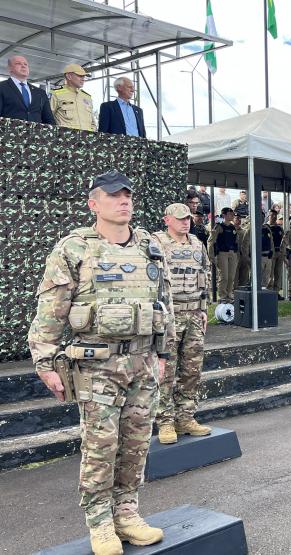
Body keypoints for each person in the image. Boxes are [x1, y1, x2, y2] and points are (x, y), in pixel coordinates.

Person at [28, 170, 174, 554]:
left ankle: (127, 513)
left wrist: (163, 352)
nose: (123, 201)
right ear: (94, 204)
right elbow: (51, 308)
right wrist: (44, 361)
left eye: (127, 195)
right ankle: (100, 523)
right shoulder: (73, 248)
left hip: (142, 363)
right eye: (113, 196)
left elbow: (163, 304)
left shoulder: (148, 245)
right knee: (100, 445)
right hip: (97, 367)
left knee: (137, 442)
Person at [152, 203, 211, 446]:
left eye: (188, 218)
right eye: (180, 219)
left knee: (192, 370)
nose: (185, 222)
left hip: (194, 314)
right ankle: (165, 420)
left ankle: (185, 417)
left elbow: (205, 274)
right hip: (170, 315)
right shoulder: (156, 243)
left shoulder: (197, 243)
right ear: (167, 220)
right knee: (166, 370)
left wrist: (204, 308)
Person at [0, 55, 55, 124]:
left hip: (36, 134)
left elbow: (49, 120)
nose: (23, 66)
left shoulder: (40, 93)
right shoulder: (2, 87)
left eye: (25, 64)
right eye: (18, 63)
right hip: (9, 133)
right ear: (9, 68)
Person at [51, 64, 95, 131]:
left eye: (84, 76)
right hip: (66, 140)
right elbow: (48, 119)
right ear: (69, 76)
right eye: (80, 76)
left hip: (86, 140)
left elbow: (93, 123)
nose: (83, 79)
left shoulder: (87, 97)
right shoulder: (55, 94)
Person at [208, 207, 239, 303]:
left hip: (232, 253)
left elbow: (236, 241)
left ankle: (229, 294)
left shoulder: (233, 227)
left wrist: (236, 254)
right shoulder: (219, 227)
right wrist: (212, 256)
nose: (232, 215)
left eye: (232, 214)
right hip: (222, 253)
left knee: (231, 276)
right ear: (224, 215)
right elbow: (211, 241)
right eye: (230, 214)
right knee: (224, 276)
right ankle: (222, 296)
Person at [266, 210, 284, 293]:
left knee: (278, 273)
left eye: (275, 216)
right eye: (272, 215)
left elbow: (283, 241)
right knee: (270, 273)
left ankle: (276, 292)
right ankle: (269, 290)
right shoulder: (266, 227)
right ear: (268, 216)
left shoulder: (279, 228)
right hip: (270, 253)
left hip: (279, 252)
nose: (274, 217)